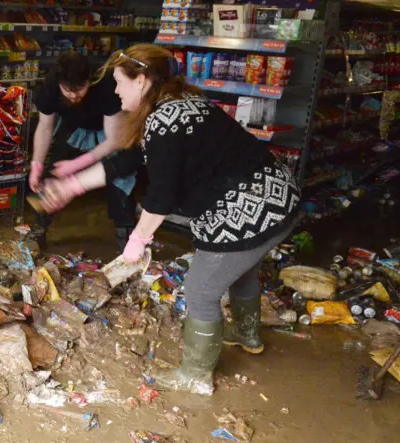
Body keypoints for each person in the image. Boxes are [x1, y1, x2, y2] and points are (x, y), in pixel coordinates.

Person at [37, 44, 301, 395]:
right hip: (280, 197)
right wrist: (72, 185)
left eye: (118, 81)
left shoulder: (163, 120)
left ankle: (196, 373)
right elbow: (125, 162)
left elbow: (160, 198)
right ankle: (247, 335)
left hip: (249, 206)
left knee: (200, 291)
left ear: (142, 81)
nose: (115, 91)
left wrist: (137, 242)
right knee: (241, 269)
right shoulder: (179, 104)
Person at [29, 52, 137, 250]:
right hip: (76, 130)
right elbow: (45, 127)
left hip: (112, 133)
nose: (73, 95)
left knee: (121, 180)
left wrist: (78, 164)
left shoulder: (107, 84)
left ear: (89, 80)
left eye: (79, 89)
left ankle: (127, 239)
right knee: (50, 177)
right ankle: (38, 230)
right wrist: (36, 163)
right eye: (67, 90)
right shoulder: (50, 87)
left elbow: (114, 140)